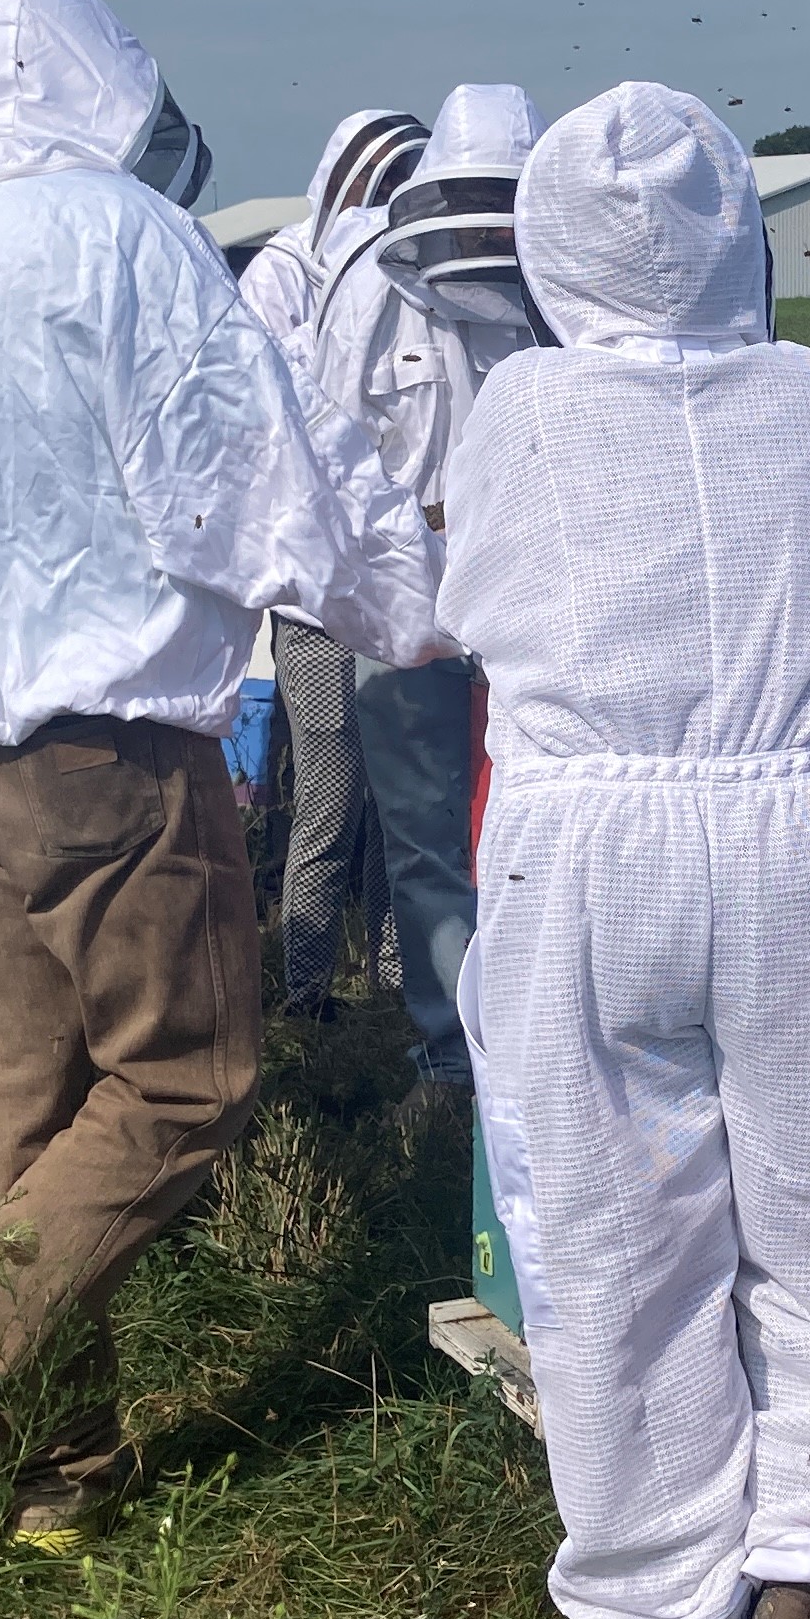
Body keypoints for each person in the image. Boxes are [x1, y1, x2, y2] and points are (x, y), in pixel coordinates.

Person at [0, 0, 445, 1537]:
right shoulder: (122, 239)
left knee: (23, 1105)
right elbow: (245, 477)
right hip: (103, 752)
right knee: (186, 1082)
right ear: (105, 87)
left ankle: (56, 1478)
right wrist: (409, 610)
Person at [445, 80, 810, 1619]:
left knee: (604, 1220)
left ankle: (657, 1595)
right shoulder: (808, 395)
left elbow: (464, 601)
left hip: (590, 850)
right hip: (805, 837)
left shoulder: (518, 404)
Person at [311, 83, 543, 1095]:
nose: (491, 227)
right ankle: (451, 1058)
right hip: (406, 607)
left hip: (536, 608)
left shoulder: (562, 283)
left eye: (510, 202)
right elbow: (326, 448)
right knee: (422, 837)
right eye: (475, 200)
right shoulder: (369, 294)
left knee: (531, 829)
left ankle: (540, 1050)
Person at [237, 110, 428, 1018]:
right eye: (376, 184)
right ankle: (306, 991)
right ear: (341, 180)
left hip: (394, 579)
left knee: (400, 796)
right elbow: (280, 424)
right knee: (330, 790)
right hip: (316, 587)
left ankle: (394, 984)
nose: (385, 204)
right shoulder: (279, 276)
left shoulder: (408, 271)